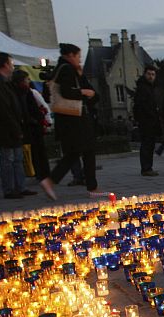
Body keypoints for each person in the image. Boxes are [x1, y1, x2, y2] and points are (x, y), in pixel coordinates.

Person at [40, 43, 102, 200]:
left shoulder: (61, 70)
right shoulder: (67, 69)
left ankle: (90, 186)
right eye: (78, 56)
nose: (80, 60)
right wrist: (84, 92)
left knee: (79, 151)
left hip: (69, 119)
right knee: (81, 151)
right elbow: (67, 92)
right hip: (75, 119)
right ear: (70, 55)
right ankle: (52, 181)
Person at [0, 53, 36, 199]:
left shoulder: (5, 82)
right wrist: (14, 127)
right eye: (11, 63)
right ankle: (9, 188)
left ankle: (20, 186)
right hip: (5, 127)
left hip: (13, 124)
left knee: (17, 158)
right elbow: (2, 109)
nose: (12, 66)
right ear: (5, 64)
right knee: (8, 158)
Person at [11, 70, 50, 183]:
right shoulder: (27, 93)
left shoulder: (25, 92)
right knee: (37, 150)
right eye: (26, 79)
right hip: (32, 125)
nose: (28, 81)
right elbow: (42, 106)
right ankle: (41, 172)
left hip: (32, 124)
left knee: (37, 150)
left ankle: (40, 172)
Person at [133, 65, 161, 176]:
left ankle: (148, 167)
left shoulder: (152, 88)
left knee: (150, 144)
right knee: (147, 144)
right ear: (145, 74)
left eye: (153, 74)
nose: (151, 76)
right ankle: (146, 168)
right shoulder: (142, 88)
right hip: (146, 121)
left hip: (152, 120)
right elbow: (141, 106)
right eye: (149, 74)